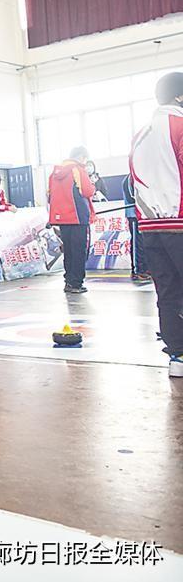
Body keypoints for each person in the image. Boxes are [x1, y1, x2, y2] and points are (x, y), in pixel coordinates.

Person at [129, 72, 183, 378]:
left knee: (168, 291)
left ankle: (178, 356)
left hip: (150, 226)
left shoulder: (141, 133)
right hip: (180, 220)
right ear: (179, 97)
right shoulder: (179, 124)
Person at [48, 146, 95, 294]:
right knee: (79, 251)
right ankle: (76, 283)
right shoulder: (78, 170)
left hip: (62, 218)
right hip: (78, 216)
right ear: (81, 157)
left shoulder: (54, 173)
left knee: (68, 250)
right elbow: (87, 191)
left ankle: (69, 281)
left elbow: (49, 195)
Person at [121, 174, 149, 281]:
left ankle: (145, 268)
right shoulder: (129, 179)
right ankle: (138, 270)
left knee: (143, 243)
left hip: (143, 215)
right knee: (137, 243)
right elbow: (131, 197)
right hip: (134, 215)